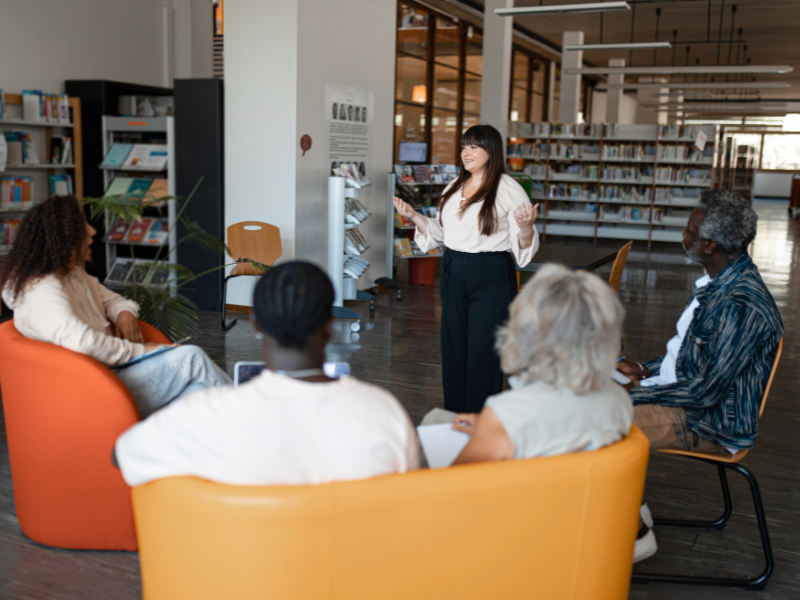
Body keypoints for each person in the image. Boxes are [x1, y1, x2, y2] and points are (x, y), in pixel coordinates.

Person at [114, 261, 419, 487]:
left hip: (248, 569)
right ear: (329, 324)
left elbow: (122, 455)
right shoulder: (384, 411)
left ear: (256, 324)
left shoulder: (204, 415)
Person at [617, 189, 783, 563]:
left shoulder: (741, 304)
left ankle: (634, 535)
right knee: (597, 399)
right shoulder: (719, 284)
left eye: (690, 231)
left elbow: (706, 391)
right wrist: (645, 370)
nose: (684, 236)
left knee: (600, 419)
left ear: (709, 245)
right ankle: (630, 507)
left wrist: (632, 395)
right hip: (689, 398)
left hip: (709, 420)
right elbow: (692, 357)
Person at [0, 196, 230, 418]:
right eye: (82, 225)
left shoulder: (73, 274)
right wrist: (144, 350)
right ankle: (255, 417)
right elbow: (83, 342)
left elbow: (113, 300)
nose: (92, 231)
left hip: (107, 374)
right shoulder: (42, 289)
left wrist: (125, 314)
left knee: (198, 395)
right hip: (89, 389)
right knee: (190, 357)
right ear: (62, 237)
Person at [421, 264, 632, 465]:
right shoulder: (619, 400)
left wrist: (493, 426)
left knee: (431, 427)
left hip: (509, 496)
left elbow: (454, 479)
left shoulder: (509, 413)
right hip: (576, 493)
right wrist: (489, 427)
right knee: (438, 418)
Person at [393, 124, 539, 413]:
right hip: (453, 270)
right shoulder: (454, 186)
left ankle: (479, 419)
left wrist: (525, 228)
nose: (466, 152)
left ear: (491, 151)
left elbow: (523, 246)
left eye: (474, 146)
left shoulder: (510, 189)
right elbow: (441, 233)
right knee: (454, 345)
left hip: (491, 274)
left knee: (484, 351)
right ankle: (455, 415)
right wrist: (413, 216)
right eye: (464, 146)